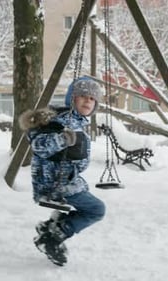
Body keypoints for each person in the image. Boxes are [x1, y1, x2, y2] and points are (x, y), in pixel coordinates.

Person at [18, 77, 106, 266]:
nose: (87, 101)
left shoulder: (75, 120)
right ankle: (54, 236)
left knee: (88, 204)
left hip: (66, 180)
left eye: (92, 99)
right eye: (83, 96)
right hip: (55, 184)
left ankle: (50, 227)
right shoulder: (60, 121)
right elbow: (39, 146)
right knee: (96, 210)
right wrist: (62, 139)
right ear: (72, 98)